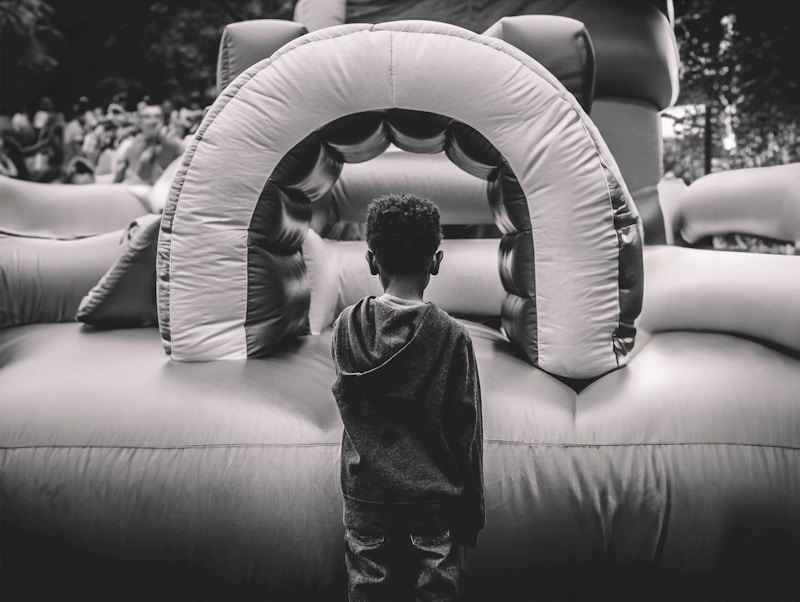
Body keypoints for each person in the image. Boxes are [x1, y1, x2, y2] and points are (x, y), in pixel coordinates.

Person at [330, 193, 485, 602]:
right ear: (436, 261)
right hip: (433, 505)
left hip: (366, 500)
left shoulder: (347, 327)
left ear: (370, 261)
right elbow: (466, 432)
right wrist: (471, 521)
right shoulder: (453, 337)